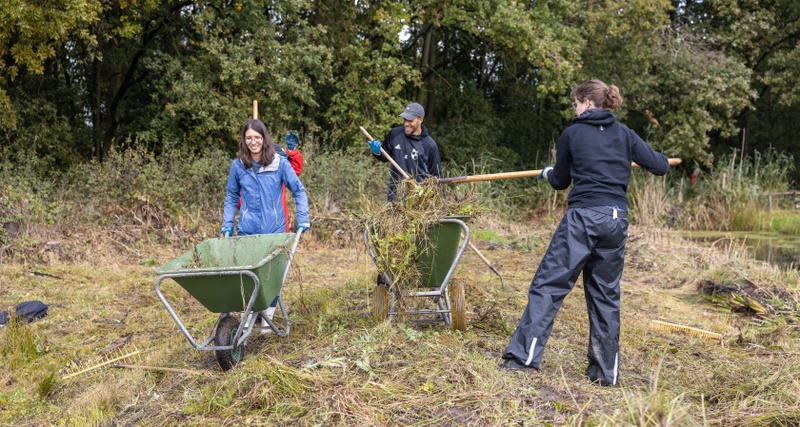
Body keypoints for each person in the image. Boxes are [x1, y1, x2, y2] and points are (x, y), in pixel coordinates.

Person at [500, 79, 669, 387]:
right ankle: (605, 374)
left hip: (584, 218)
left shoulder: (572, 134)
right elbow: (660, 165)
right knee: (605, 295)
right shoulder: (626, 135)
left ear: (588, 103)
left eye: (576, 104)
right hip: (616, 220)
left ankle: (522, 359)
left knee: (549, 285)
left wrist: (549, 173)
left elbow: (561, 180)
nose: (574, 109)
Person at [221, 119, 310, 330]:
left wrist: (303, 217)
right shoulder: (238, 166)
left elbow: (298, 190)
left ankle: (267, 317)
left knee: (271, 276)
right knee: (247, 273)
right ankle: (248, 313)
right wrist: (227, 223)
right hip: (247, 231)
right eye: (249, 138)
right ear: (244, 140)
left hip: (275, 231)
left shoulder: (279, 163)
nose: (253, 142)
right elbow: (232, 196)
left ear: (264, 139)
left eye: (257, 138)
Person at [368, 102, 442, 201]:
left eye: (410, 120)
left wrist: (440, 201)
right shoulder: (395, 134)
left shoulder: (429, 145)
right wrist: (377, 152)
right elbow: (385, 156)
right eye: (405, 119)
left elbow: (437, 177)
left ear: (420, 120)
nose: (406, 123)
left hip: (417, 199)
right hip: (395, 197)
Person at [236, 130, 304, 232]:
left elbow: (294, 170)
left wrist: (292, 151)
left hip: (278, 223)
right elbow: (237, 198)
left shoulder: (281, 173)